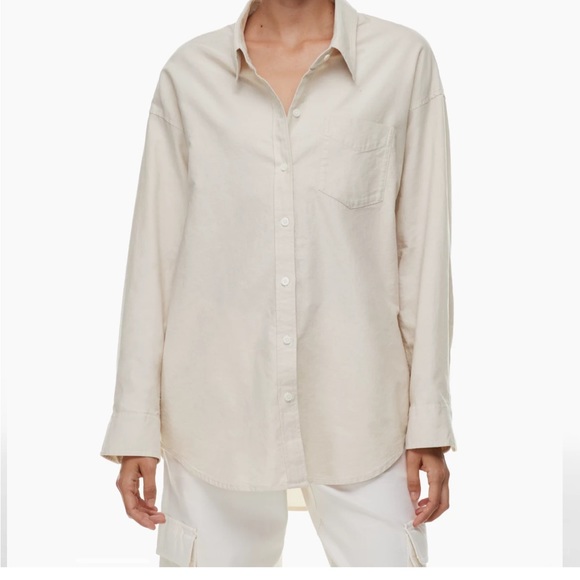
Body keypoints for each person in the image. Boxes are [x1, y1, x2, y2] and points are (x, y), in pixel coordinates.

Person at [100, 0, 457, 567]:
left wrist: (428, 422)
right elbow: (153, 258)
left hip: (364, 410)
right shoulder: (189, 75)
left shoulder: (402, 61)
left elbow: (425, 253)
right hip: (215, 412)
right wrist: (135, 427)